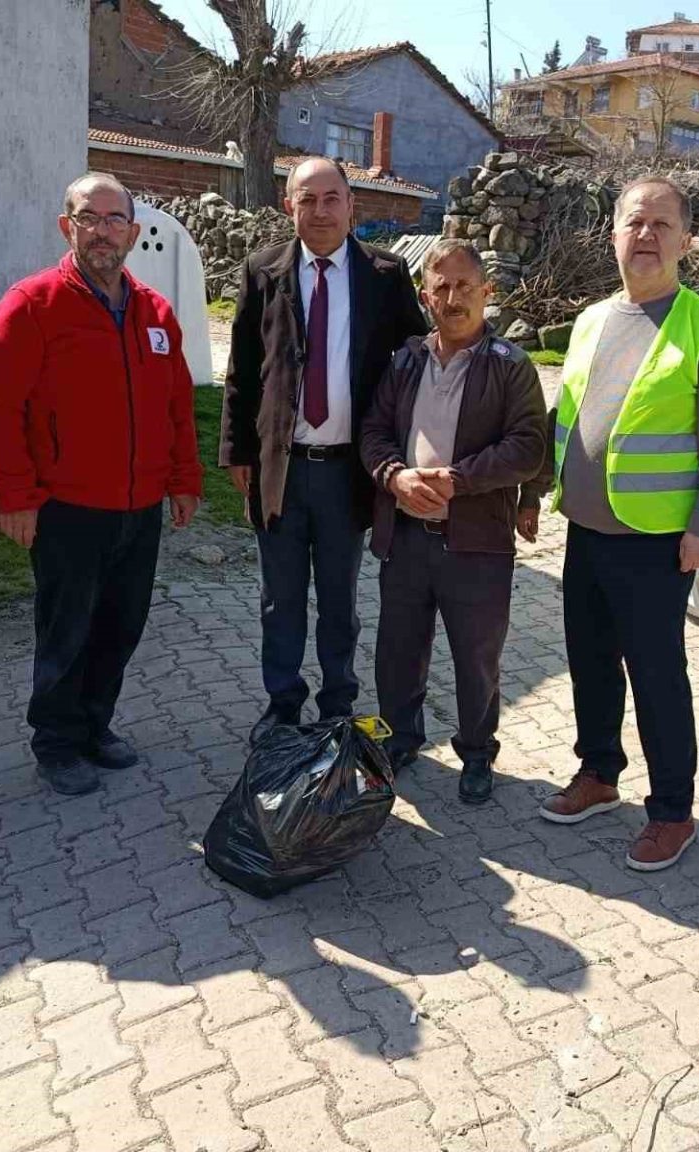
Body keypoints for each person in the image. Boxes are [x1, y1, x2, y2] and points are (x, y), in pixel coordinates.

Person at [534, 176, 699, 871]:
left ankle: (672, 812)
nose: (646, 235)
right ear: (614, 234)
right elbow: (568, 416)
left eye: (662, 224)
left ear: (686, 242)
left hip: (657, 541)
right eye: (634, 222)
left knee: (657, 677)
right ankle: (599, 773)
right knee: (591, 662)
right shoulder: (593, 319)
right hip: (586, 530)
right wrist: (537, 489)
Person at [0, 173, 203, 796]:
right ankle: (56, 742)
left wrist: (184, 480)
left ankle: (95, 726)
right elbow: (0, 407)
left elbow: (177, 405)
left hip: (140, 505)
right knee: (67, 630)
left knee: (121, 625)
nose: (102, 231)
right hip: (67, 507)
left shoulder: (156, 312)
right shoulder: (32, 303)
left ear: (132, 232)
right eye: (88, 218)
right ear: (66, 226)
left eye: (113, 220)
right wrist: (16, 495)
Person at [219, 158, 429, 741]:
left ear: (351, 205)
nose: (320, 211)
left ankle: (338, 703)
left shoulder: (385, 275)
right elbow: (241, 369)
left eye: (331, 198)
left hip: (347, 472)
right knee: (280, 599)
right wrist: (237, 450)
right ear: (289, 206)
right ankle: (283, 703)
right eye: (307, 200)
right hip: (280, 469)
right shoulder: (263, 271)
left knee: (340, 600)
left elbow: (416, 364)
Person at [360, 240, 548, 803]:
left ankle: (477, 752)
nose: (453, 297)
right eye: (441, 287)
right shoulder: (405, 360)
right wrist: (394, 476)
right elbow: (373, 431)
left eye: (465, 285)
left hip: (477, 543)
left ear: (487, 292)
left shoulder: (510, 366)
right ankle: (399, 740)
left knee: (477, 658)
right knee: (398, 652)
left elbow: (529, 447)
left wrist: (457, 480)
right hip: (406, 538)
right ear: (425, 297)